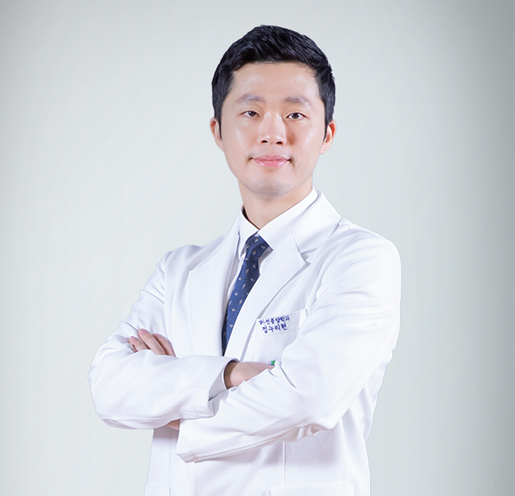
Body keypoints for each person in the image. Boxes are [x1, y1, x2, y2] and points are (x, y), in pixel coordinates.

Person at [89, 25, 401, 496]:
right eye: (251, 112)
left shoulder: (360, 259)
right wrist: (229, 374)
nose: (273, 133)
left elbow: (307, 399)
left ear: (327, 134)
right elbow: (109, 386)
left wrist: (174, 407)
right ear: (218, 130)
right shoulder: (178, 270)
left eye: (295, 114)